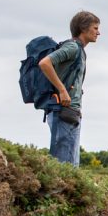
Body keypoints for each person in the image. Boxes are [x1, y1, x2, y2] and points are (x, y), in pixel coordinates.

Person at [37, 11, 100, 166]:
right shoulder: (72, 47)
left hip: (70, 112)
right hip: (63, 111)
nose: (98, 32)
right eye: (95, 28)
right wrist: (62, 91)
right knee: (63, 165)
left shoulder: (79, 50)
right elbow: (44, 63)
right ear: (83, 28)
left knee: (70, 165)